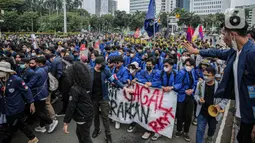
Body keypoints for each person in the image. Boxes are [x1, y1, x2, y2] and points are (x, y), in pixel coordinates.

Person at [183, 15, 255, 143]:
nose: (222, 38)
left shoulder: (251, 53)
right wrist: (197, 51)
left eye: (223, 34)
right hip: (240, 113)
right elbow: (217, 53)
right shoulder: (235, 51)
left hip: (250, 116)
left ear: (233, 34)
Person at [0, 61, 38, 143]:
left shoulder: (16, 80)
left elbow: (26, 90)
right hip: (6, 107)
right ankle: (32, 138)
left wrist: (31, 102)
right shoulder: (1, 80)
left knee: (10, 126)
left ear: (6, 71)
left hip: (15, 107)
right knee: (18, 123)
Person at [91, 56, 126, 143]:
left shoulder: (106, 71)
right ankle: (97, 129)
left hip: (104, 97)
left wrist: (124, 88)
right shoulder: (90, 71)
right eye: (102, 64)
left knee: (105, 117)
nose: (105, 66)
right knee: (95, 115)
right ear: (97, 64)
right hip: (93, 98)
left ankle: (108, 135)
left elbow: (114, 80)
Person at [194, 67, 228, 143]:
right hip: (202, 112)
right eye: (204, 75)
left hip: (214, 113)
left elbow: (225, 99)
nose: (205, 77)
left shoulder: (220, 86)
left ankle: (210, 136)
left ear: (213, 76)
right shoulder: (200, 84)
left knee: (212, 128)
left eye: (208, 75)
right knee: (200, 130)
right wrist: (199, 100)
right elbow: (196, 95)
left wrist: (219, 106)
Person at [63, 62, 94, 143]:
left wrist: (66, 122)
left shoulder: (75, 89)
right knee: (80, 133)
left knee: (85, 137)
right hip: (88, 113)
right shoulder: (87, 83)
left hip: (82, 116)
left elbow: (71, 106)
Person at [174, 58, 198, 142]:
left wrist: (192, 90)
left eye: (190, 65)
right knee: (180, 114)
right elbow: (177, 85)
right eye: (186, 65)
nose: (188, 67)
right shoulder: (181, 73)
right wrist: (184, 91)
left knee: (188, 115)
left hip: (190, 96)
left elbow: (195, 83)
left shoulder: (193, 72)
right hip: (182, 95)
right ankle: (179, 130)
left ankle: (186, 132)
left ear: (193, 66)